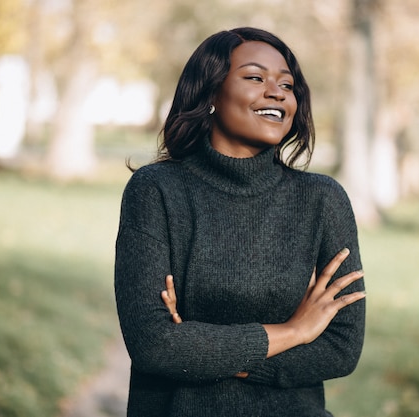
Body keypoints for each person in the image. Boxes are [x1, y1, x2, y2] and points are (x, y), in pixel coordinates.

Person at [114, 27, 366, 417]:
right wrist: (294, 332)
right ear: (211, 92)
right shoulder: (155, 191)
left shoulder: (322, 199)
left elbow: (340, 348)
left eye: (287, 84)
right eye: (254, 77)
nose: (277, 92)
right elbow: (155, 346)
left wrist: (204, 349)